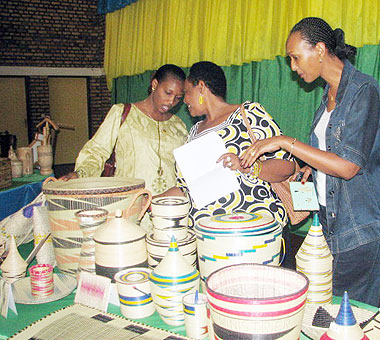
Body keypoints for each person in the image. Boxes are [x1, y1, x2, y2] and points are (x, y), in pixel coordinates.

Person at [241, 17, 380, 306]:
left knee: (349, 310)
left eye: (295, 57)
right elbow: (330, 155)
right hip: (334, 220)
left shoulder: (364, 91)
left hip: (364, 223)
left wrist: (285, 142)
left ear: (319, 49)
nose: (293, 66)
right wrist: (308, 169)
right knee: (329, 303)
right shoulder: (328, 94)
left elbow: (347, 167)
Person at [160, 61, 296, 261]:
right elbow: (185, 188)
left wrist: (247, 166)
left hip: (254, 236)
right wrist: (152, 200)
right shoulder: (193, 133)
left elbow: (286, 166)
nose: (184, 100)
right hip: (210, 242)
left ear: (201, 87)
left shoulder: (248, 113)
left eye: (187, 92)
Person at [60, 64, 188, 196]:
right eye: (168, 93)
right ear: (155, 84)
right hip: (132, 203)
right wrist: (80, 174)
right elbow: (97, 151)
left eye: (178, 98)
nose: (171, 101)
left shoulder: (178, 125)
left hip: (168, 206)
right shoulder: (122, 113)